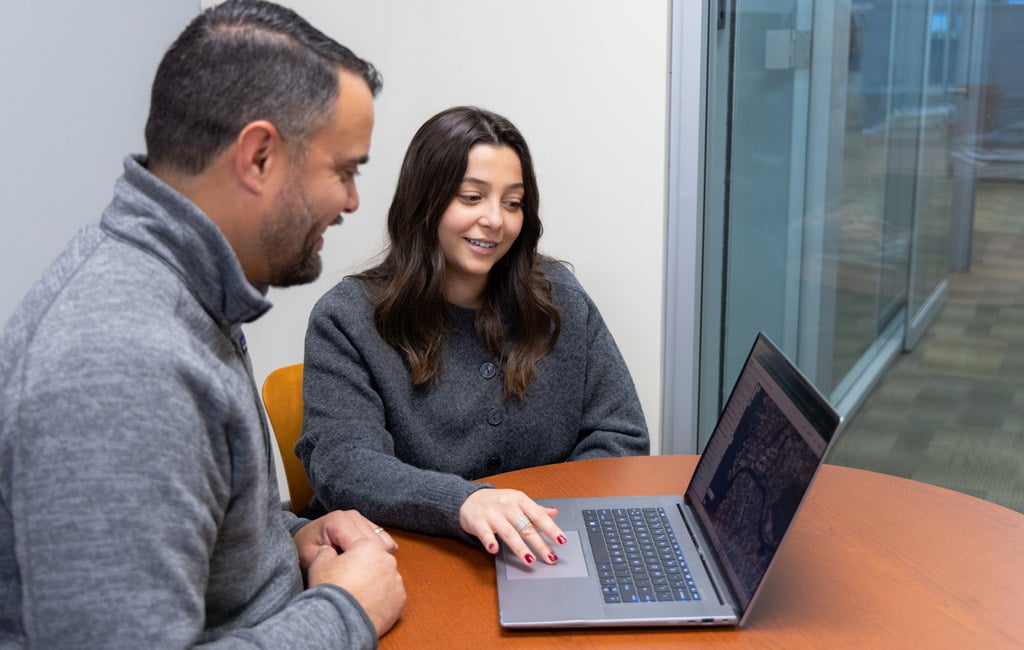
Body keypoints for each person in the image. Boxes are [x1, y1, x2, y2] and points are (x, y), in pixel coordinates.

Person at [0, 1, 405, 647]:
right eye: (345, 170)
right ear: (260, 157)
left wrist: (294, 534)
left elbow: (195, 528)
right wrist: (345, 611)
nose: (352, 201)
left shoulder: (183, 288)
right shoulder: (119, 366)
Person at [296, 106, 650, 569]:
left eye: (512, 202)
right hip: (403, 561)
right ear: (425, 202)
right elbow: (345, 464)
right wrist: (463, 503)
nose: (495, 221)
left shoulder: (560, 299)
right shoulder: (347, 318)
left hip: (538, 555)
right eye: (471, 197)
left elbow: (619, 434)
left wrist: (529, 518)